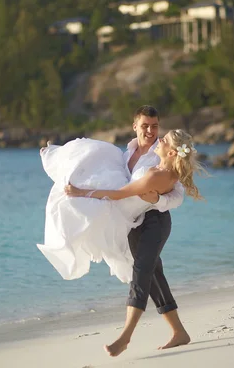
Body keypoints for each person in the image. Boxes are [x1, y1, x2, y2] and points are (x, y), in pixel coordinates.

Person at [37, 106, 205, 356]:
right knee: (154, 276)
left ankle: (125, 337)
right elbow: (118, 182)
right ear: (135, 126)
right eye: (146, 126)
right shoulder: (127, 153)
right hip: (134, 222)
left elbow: (163, 194)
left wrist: (84, 193)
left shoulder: (156, 167)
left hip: (153, 222)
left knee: (142, 273)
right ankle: (179, 332)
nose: (153, 133)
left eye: (156, 127)